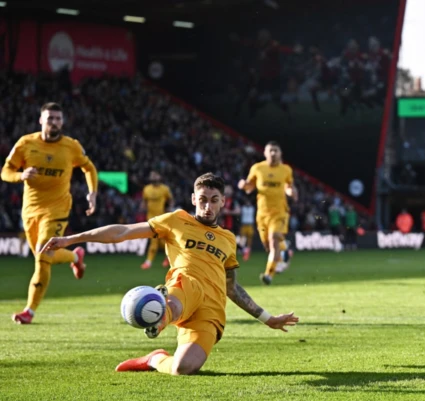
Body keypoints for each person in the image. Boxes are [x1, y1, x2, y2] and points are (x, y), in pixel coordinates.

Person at [43, 173, 298, 375]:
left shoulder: (229, 240)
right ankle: (160, 317)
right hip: (185, 285)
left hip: (212, 308)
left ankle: (154, 358)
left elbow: (232, 287)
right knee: (175, 299)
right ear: (193, 199)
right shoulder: (176, 220)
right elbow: (122, 232)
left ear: (223, 202)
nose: (207, 205)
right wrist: (71, 239)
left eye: (213, 200)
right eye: (202, 199)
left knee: (183, 368)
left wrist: (267, 318)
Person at [1, 102, 98, 324]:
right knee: (43, 255)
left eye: (58, 119)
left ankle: (29, 311)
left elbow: (89, 168)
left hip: (58, 208)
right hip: (30, 211)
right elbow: (5, 171)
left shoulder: (71, 146)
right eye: (50, 118)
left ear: (62, 122)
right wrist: (21, 176)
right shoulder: (26, 143)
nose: (54, 122)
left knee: (43, 254)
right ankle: (75, 256)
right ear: (41, 120)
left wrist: (92, 194)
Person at [238, 141, 298, 285]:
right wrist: (244, 185)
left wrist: (291, 192)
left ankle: (268, 274)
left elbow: (289, 187)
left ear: (280, 153)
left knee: (273, 238)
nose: (273, 153)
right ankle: (286, 249)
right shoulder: (258, 168)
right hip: (262, 214)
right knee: (269, 245)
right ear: (265, 153)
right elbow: (249, 187)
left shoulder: (286, 170)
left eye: (275, 150)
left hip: (280, 212)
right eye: (270, 150)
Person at [140, 171, 174, 270]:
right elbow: (144, 201)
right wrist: (142, 207)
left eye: (155, 175)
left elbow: (170, 200)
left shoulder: (164, 189)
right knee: (156, 240)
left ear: (159, 176)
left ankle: (151, 261)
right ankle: (166, 257)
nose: (153, 177)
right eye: (152, 175)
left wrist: (170, 208)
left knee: (158, 241)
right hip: (150, 218)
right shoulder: (146, 189)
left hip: (162, 218)